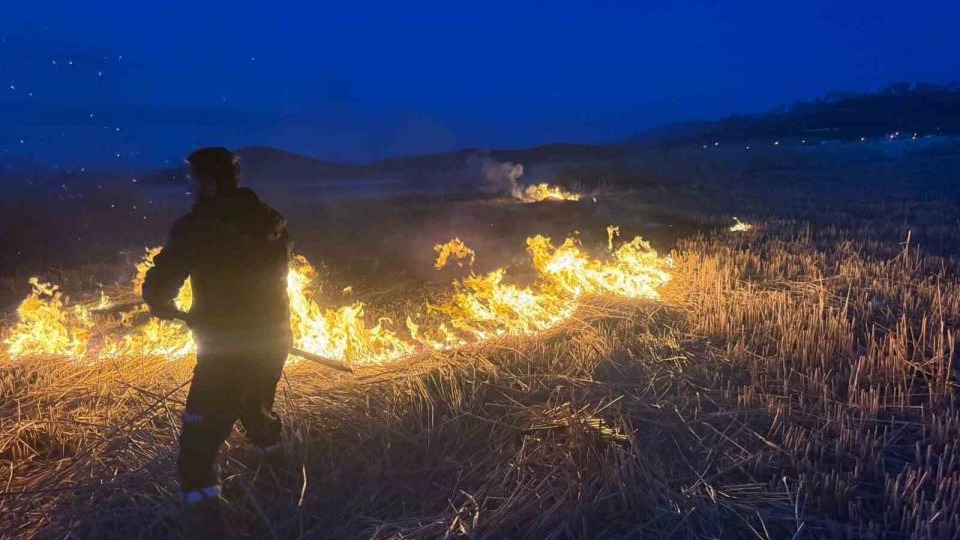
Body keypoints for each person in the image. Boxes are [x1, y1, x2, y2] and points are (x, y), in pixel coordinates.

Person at [142, 147, 293, 537]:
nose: (191, 188)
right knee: (255, 408)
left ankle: (206, 526)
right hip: (273, 340)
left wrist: (162, 304)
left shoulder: (198, 225)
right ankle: (286, 481)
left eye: (193, 180)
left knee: (196, 452)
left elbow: (164, 279)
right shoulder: (270, 218)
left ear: (207, 183)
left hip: (227, 350)